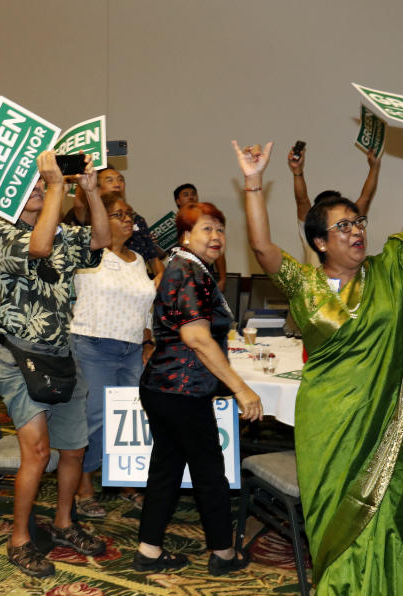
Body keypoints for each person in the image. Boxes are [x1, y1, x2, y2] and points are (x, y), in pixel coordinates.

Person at [235, 126, 403, 594]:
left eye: (358, 222)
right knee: (335, 516)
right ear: (319, 242)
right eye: (343, 226)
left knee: (385, 509)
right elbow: (262, 248)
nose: (356, 230)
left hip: (383, 421)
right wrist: (254, 182)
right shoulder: (306, 284)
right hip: (328, 421)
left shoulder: (392, 268)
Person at [0, 151, 110, 577]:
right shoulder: (0, 235)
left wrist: (91, 194)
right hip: (17, 358)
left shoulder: (60, 232)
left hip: (61, 355)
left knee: (74, 448)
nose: (40, 188)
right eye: (33, 188)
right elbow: (38, 246)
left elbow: (99, 241)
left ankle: (62, 523)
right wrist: (59, 184)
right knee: (38, 453)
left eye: (42, 185)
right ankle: (20, 538)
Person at [134, 202, 262, 575]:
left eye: (220, 229)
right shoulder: (189, 271)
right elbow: (196, 337)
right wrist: (241, 389)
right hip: (183, 390)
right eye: (207, 229)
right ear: (186, 236)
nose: (217, 236)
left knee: (167, 469)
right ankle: (223, 553)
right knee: (209, 473)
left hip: (164, 386)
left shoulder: (185, 267)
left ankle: (149, 550)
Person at [70, 192, 156, 518]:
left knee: (130, 419)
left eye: (129, 213)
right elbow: (79, 208)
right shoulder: (89, 255)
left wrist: (148, 343)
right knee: (94, 418)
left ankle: (126, 482)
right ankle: (84, 484)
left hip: (132, 348)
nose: (127, 219)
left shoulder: (137, 259)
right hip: (94, 346)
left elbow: (145, 306)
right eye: (118, 214)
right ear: (101, 220)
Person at [288, 144, 382, 264]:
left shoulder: (350, 227)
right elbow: (302, 200)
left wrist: (374, 167)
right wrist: (297, 171)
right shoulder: (313, 229)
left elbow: (366, 197)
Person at [65, 166, 164, 276]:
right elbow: (79, 204)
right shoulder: (91, 215)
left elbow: (153, 258)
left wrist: (161, 279)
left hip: (138, 280)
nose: (117, 184)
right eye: (109, 180)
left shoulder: (137, 219)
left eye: (120, 179)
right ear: (97, 186)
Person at [170, 183, 227, 291]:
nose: (191, 197)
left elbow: (218, 252)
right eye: (186, 195)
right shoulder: (170, 225)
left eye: (193, 194)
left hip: (204, 277)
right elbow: (159, 254)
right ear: (178, 201)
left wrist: (223, 278)